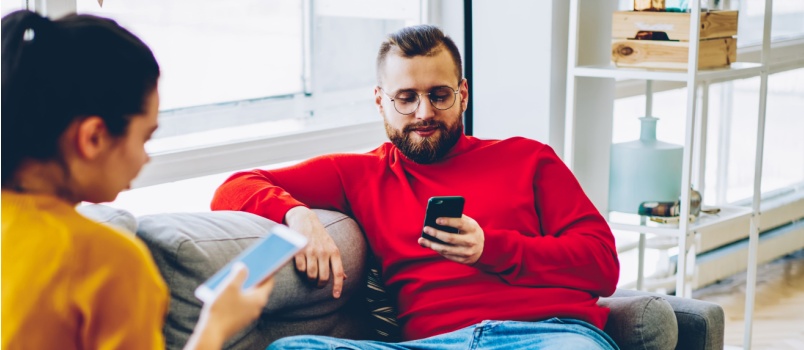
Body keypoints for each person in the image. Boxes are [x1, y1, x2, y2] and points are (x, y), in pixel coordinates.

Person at [211, 24, 620, 350]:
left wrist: (492, 248)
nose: (424, 113)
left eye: (439, 95)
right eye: (406, 98)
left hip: (547, 335)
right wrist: (296, 214)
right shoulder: (359, 173)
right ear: (380, 101)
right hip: (433, 344)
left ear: (463, 94)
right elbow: (234, 187)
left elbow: (603, 266)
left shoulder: (528, 159)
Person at [1, 10, 274, 349]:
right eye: (145, 137)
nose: (146, 157)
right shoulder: (107, 261)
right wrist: (217, 325)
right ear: (93, 138)